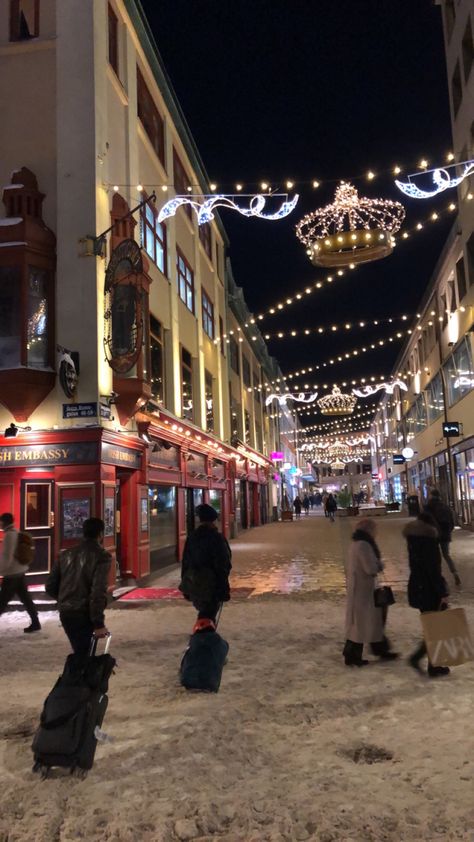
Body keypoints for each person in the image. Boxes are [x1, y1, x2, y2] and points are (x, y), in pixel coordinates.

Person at [46, 517, 111, 657]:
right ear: (100, 534)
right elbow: (97, 591)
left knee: (82, 652)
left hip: (66, 612)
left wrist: (65, 598)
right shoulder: (101, 556)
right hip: (84, 612)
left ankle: (79, 676)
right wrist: (98, 623)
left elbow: (50, 586)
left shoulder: (66, 554)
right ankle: (75, 678)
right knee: (84, 656)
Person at [343, 518, 398, 666]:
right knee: (362, 624)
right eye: (374, 530)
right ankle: (353, 655)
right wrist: (380, 564)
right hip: (365, 590)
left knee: (361, 623)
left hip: (359, 589)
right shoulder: (364, 546)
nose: (376, 533)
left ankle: (370, 650)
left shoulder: (355, 544)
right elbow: (370, 569)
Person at [403, 512, 450, 677]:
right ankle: (428, 663)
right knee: (435, 627)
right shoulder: (429, 542)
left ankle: (431, 663)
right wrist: (442, 592)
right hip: (429, 589)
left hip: (418, 587)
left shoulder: (413, 540)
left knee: (432, 626)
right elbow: (433, 571)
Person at [179, 504, 232, 623]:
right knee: (208, 613)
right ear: (213, 520)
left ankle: (203, 634)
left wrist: (185, 582)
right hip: (211, 583)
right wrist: (223, 588)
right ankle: (203, 636)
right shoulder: (216, 538)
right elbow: (223, 564)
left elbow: (186, 562)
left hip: (194, 581)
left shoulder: (192, 537)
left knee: (205, 611)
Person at [0, 512, 41, 633]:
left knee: (2, 601)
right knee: (26, 599)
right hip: (20, 571)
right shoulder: (16, 532)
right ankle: (35, 622)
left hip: (12, 574)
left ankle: (36, 623)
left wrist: (1, 570)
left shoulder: (9, 535)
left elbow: (7, 556)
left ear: (4, 522)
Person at [424, 489, 461, 586]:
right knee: (446, 555)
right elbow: (452, 523)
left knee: (435, 557)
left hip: (433, 535)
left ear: (431, 496)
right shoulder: (445, 507)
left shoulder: (428, 507)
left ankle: (437, 577)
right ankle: (455, 573)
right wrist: (447, 531)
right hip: (445, 535)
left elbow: (424, 521)